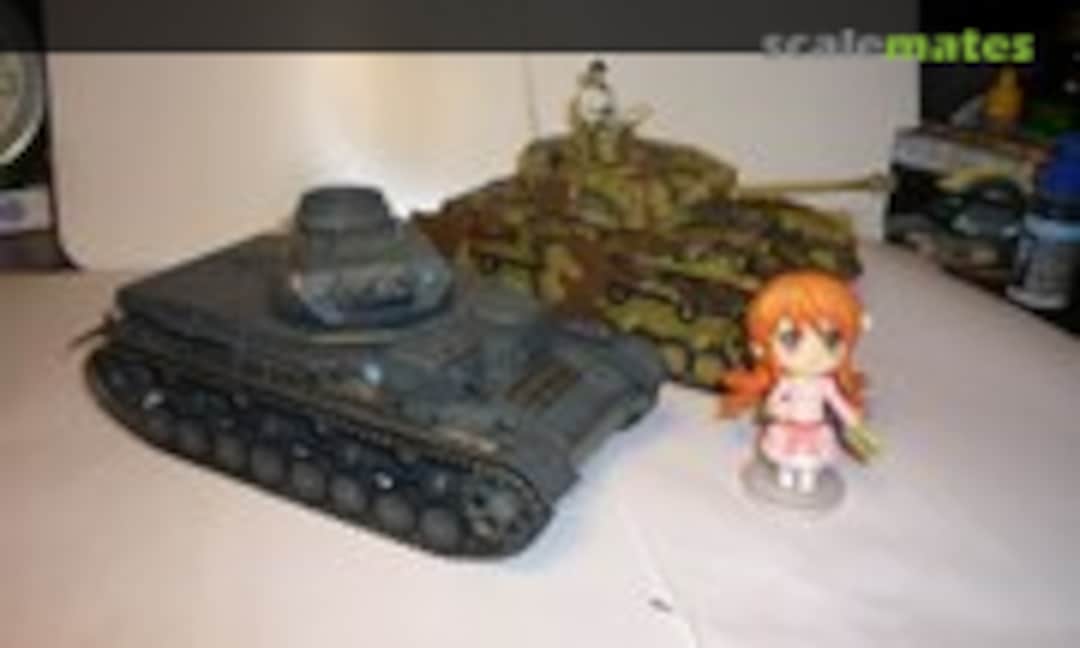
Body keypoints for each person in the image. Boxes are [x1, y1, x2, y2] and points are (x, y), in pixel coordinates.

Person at [721, 271, 880, 496]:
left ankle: (807, 481)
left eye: (830, 340)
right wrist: (776, 410)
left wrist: (854, 423)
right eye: (792, 339)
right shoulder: (786, 383)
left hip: (815, 430)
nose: (813, 352)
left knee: (809, 464)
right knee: (786, 460)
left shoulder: (825, 385)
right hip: (788, 429)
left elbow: (838, 404)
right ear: (760, 347)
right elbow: (773, 403)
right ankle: (785, 477)